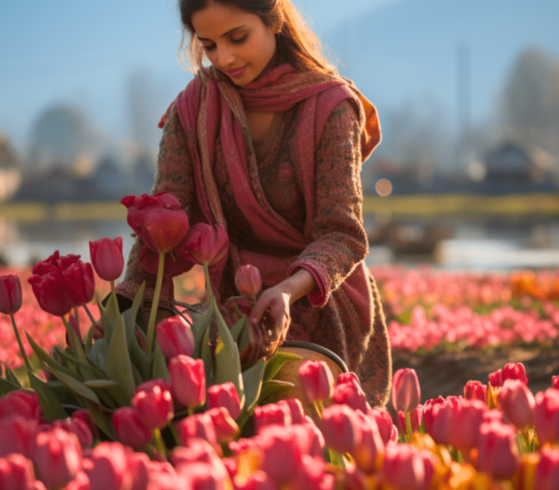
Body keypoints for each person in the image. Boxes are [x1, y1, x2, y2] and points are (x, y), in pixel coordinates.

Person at [116, 0, 391, 406]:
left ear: (274, 19)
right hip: (236, 308)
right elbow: (163, 219)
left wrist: (286, 291)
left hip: (320, 300)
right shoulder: (192, 110)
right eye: (208, 45)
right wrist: (129, 306)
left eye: (237, 38)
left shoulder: (332, 107)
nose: (223, 58)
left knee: (304, 420)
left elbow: (342, 234)